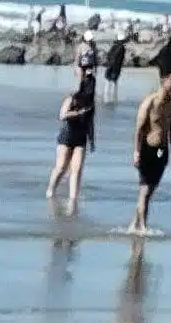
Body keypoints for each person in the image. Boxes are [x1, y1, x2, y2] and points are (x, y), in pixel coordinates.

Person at [130, 70, 171, 233]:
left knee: (148, 193)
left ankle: (134, 225)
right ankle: (142, 228)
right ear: (163, 81)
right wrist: (136, 152)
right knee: (145, 190)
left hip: (162, 152)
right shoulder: (150, 102)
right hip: (147, 149)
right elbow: (139, 130)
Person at [46, 69, 96, 213]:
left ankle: (73, 198)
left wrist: (92, 140)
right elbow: (62, 115)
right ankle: (51, 189)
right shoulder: (72, 98)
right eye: (89, 86)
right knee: (61, 166)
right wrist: (78, 113)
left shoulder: (91, 103)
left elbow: (90, 122)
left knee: (77, 168)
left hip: (81, 138)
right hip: (67, 135)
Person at [103, 30, 129, 103]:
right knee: (114, 81)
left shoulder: (114, 46)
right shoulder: (122, 48)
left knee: (107, 80)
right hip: (116, 67)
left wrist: (108, 63)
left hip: (110, 65)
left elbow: (108, 55)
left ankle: (106, 97)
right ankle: (113, 97)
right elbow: (120, 59)